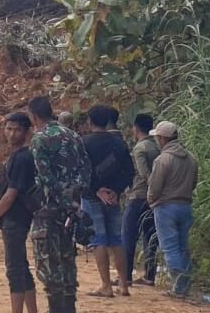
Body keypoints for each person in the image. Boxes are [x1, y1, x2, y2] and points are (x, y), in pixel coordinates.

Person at [28, 95, 91, 313]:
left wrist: (64, 202)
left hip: (49, 210)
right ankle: (69, 308)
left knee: (48, 262)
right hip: (72, 210)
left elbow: (46, 178)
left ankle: (56, 309)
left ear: (34, 117)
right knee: (67, 258)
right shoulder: (73, 135)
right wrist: (74, 202)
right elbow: (86, 170)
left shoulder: (39, 139)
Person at [0, 112, 39, 313]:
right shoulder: (15, 156)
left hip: (17, 218)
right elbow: (5, 189)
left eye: (17, 129)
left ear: (27, 132)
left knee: (15, 270)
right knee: (21, 267)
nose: (11, 133)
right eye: (8, 129)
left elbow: (12, 193)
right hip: (12, 216)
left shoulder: (24, 157)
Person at [80, 105, 135, 298]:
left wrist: (97, 190)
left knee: (99, 240)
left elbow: (81, 172)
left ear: (90, 121)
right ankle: (123, 285)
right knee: (116, 239)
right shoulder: (119, 143)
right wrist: (116, 191)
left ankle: (105, 285)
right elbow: (129, 171)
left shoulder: (84, 143)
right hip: (113, 198)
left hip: (92, 197)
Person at [147, 120, 198, 298]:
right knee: (183, 247)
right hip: (185, 206)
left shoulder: (163, 159)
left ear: (163, 139)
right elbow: (193, 183)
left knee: (170, 248)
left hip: (166, 207)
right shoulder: (191, 158)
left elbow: (154, 187)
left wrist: (152, 200)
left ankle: (178, 287)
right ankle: (186, 285)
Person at [123, 114, 160, 288]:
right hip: (154, 199)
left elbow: (144, 173)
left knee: (129, 235)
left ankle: (126, 275)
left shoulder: (140, 148)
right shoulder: (157, 146)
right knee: (150, 236)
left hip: (138, 196)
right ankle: (150, 275)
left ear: (136, 128)